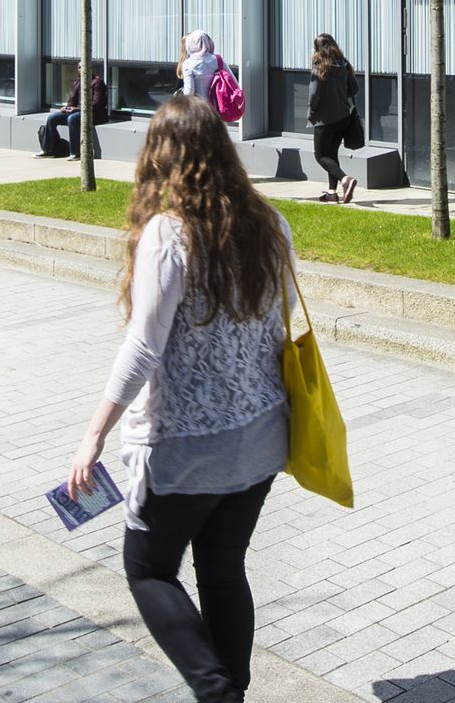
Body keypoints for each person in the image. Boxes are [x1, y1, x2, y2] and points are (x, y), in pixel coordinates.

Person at [66, 96, 295, 703]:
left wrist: (93, 434)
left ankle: (216, 688)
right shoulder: (272, 225)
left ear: (162, 156)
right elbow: (280, 329)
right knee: (223, 571)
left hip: (185, 450)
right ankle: (232, 694)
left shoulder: (169, 235)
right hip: (261, 439)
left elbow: (143, 348)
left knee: (147, 569)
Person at [307, 34, 365, 204]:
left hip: (325, 120)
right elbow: (354, 88)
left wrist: (312, 113)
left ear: (317, 50)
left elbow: (313, 94)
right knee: (331, 154)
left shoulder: (319, 68)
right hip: (343, 117)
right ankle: (332, 193)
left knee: (320, 156)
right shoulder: (344, 65)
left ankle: (345, 179)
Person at [36, 70, 109, 158]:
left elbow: (97, 103)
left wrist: (77, 109)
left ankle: (76, 153)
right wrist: (67, 108)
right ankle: (48, 150)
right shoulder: (78, 82)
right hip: (78, 111)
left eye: (82, 67)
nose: (80, 69)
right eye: (78, 67)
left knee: (72, 119)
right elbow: (72, 99)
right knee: (52, 118)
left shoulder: (97, 83)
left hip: (94, 114)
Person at [177, 31, 221, 105]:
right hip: (219, 106)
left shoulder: (188, 64)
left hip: (199, 107)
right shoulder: (218, 59)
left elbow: (189, 92)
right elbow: (233, 82)